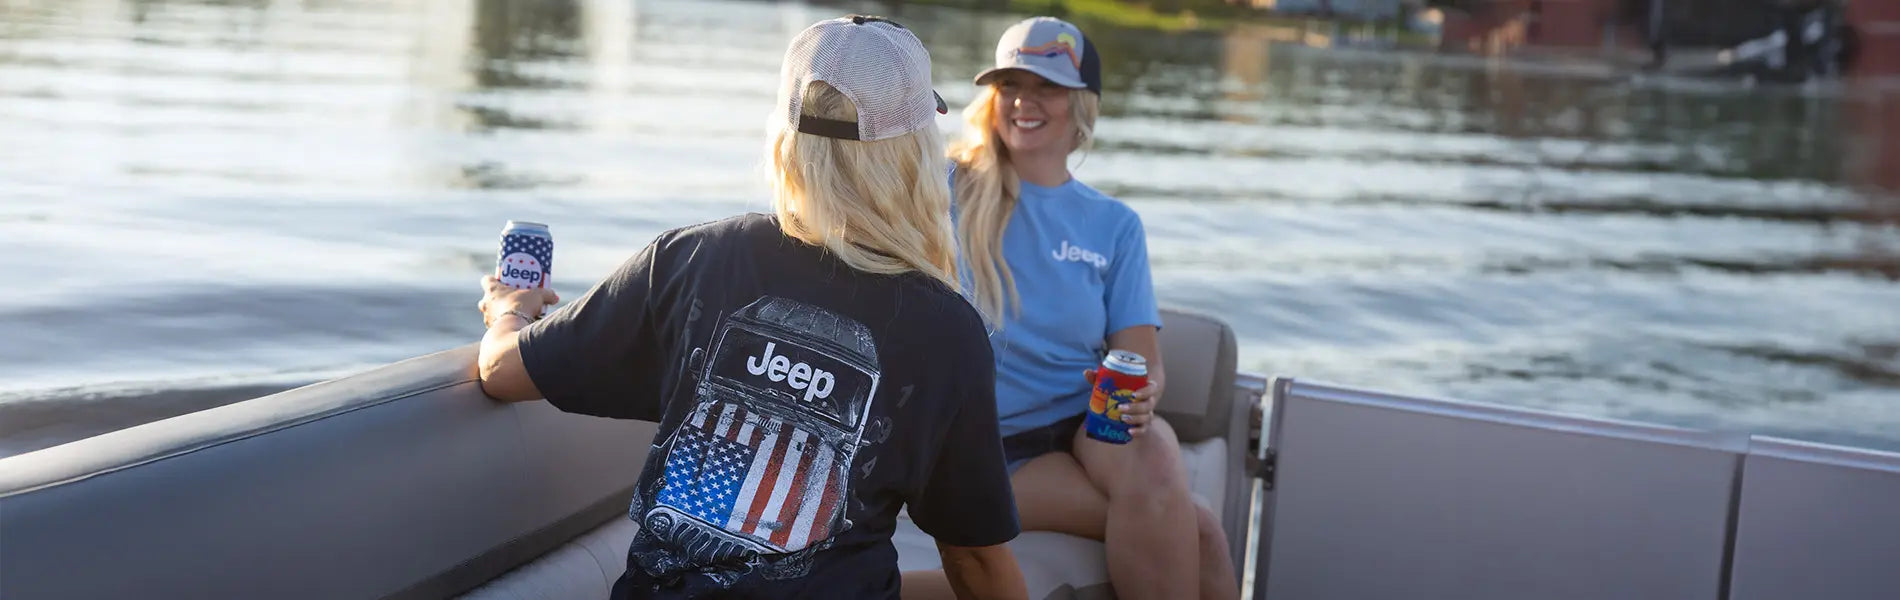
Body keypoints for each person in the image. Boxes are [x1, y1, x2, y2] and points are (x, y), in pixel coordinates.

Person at [474, 15, 1028, 600]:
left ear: (787, 141)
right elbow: (976, 563)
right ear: (916, 152)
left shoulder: (693, 259)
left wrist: (509, 310)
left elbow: (502, 371)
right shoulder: (947, 330)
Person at [904, 17, 1238, 600]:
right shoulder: (942, 189)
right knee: (1199, 529)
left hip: (1082, 425)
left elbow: (1141, 359)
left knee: (1156, 446)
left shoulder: (1115, 226)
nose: (1023, 103)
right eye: (1010, 86)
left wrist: (1142, 395)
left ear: (1081, 104)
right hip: (983, 447)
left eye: (1046, 88)